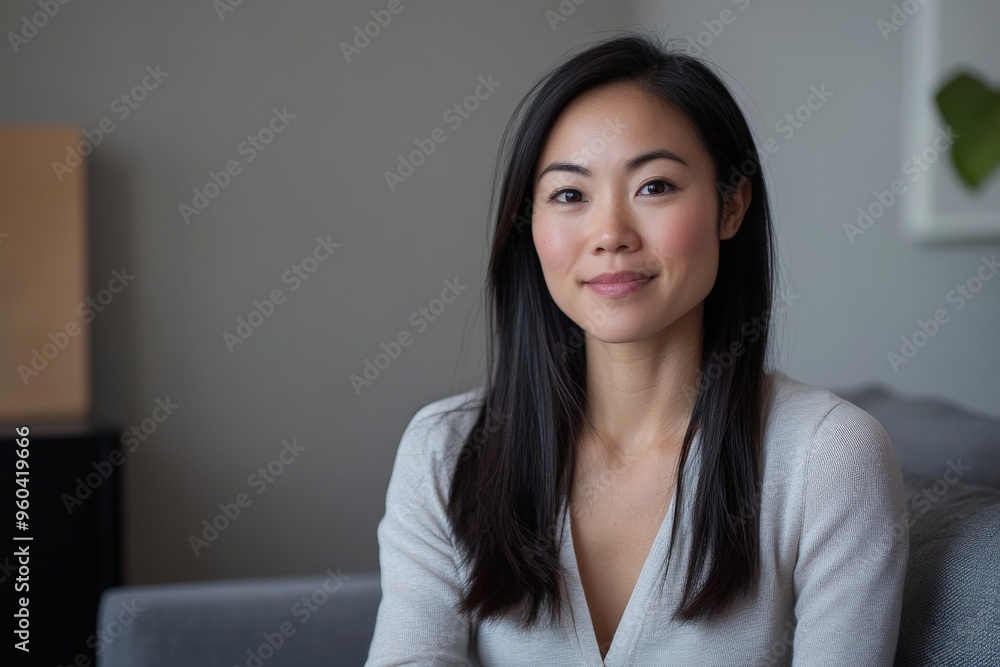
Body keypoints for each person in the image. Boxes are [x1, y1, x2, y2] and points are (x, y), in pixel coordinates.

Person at [366, 29, 907, 666]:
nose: (610, 234)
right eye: (569, 194)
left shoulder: (829, 459)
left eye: (654, 187)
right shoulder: (447, 451)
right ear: (529, 226)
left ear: (730, 206)